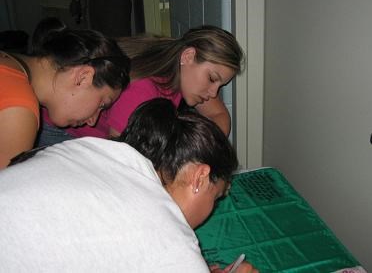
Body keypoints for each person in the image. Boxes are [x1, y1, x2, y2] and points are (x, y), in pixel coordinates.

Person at [0, 98, 258, 273]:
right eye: (217, 197)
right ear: (200, 178)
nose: (213, 208)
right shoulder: (167, 240)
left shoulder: (93, 148)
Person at [36, 25, 244, 147]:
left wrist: (198, 147)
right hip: (61, 133)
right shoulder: (143, 90)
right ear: (188, 56)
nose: (213, 92)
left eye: (220, 85)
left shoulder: (179, 70)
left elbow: (220, 117)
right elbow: (122, 160)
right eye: (212, 78)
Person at [0, 25, 130, 169]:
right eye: (102, 105)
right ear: (83, 78)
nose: (93, 122)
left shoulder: (8, 62)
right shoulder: (18, 111)